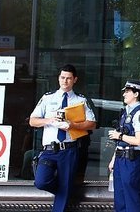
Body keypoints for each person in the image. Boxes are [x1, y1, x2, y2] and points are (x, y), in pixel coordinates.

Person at [29, 64, 97, 212]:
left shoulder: (81, 100)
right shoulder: (48, 98)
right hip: (49, 150)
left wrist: (72, 125)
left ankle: (65, 191)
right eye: (62, 77)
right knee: (41, 181)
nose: (65, 81)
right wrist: (49, 120)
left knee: (64, 190)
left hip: (69, 150)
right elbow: (32, 121)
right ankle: (65, 191)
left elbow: (92, 124)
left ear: (75, 80)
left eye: (68, 78)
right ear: (58, 78)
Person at [108, 80, 140, 212]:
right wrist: (114, 159)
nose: (124, 94)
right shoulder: (125, 112)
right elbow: (120, 142)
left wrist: (119, 136)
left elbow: (139, 140)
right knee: (119, 198)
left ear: (136, 94)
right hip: (121, 158)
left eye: (127, 91)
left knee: (131, 198)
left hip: (131, 160)